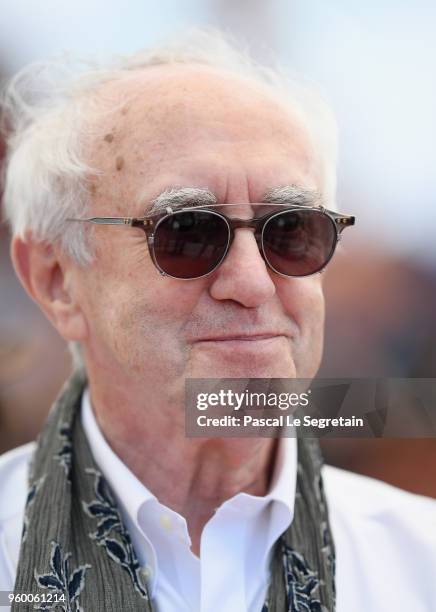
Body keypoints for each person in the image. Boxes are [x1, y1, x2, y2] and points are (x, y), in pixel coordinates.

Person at [0, 30, 435, 612]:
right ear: (55, 279)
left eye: (290, 231)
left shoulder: (418, 562)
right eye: (187, 232)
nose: (253, 283)